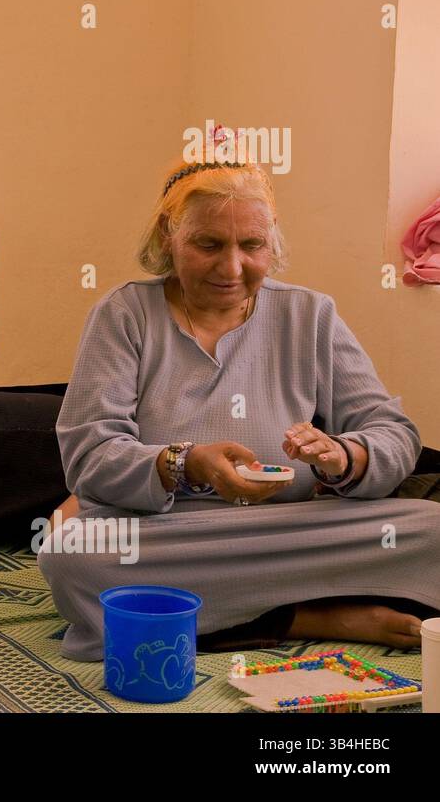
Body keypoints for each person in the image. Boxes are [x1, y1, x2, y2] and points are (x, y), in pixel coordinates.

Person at [38, 141, 440, 661]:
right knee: (72, 553)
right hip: (170, 531)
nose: (232, 267)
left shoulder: (310, 314)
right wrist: (186, 464)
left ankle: (218, 609)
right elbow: (90, 456)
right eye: (208, 244)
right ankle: (305, 615)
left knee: (433, 527)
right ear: (169, 235)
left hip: (292, 527)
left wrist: (344, 457)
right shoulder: (124, 315)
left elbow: (394, 432)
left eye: (252, 245)